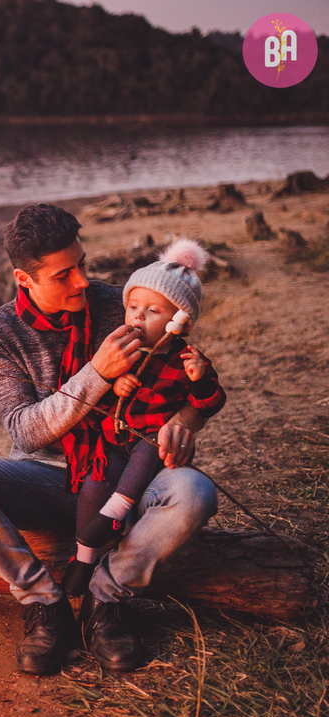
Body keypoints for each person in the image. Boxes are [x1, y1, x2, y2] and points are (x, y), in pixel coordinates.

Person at [0, 203, 217, 675]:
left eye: (81, 264)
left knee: (195, 492)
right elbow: (25, 429)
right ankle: (47, 605)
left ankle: (106, 599)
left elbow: (180, 379)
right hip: (45, 477)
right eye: (64, 274)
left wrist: (186, 421)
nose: (82, 281)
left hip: (127, 476)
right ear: (25, 280)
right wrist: (97, 375)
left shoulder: (123, 303)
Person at [62, 239, 226, 595]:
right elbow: (99, 391)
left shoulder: (186, 360)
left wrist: (199, 381)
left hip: (151, 444)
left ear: (180, 322)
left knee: (147, 449)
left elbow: (211, 402)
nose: (138, 315)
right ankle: (83, 555)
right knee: (94, 485)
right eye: (133, 306)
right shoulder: (125, 349)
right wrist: (116, 382)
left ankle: (115, 513)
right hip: (113, 443)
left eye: (153, 311)